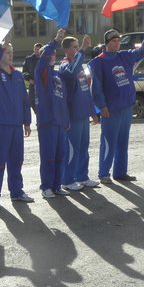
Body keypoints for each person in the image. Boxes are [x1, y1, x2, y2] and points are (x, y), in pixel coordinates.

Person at [88, 22, 144, 184]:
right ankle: (104, 173)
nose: (117, 43)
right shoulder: (99, 62)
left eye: (118, 40)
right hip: (110, 110)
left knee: (122, 142)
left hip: (126, 107)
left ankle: (120, 172)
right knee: (108, 142)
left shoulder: (124, 56)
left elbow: (143, 51)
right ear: (106, 44)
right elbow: (96, 87)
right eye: (113, 41)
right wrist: (102, 107)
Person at [0, 42, 34, 209]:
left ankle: (17, 192)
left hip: (16, 125)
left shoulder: (18, 75)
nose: (10, 55)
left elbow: (24, 100)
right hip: (0, 124)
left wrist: (27, 121)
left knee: (17, 161)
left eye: (11, 52)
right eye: (7, 52)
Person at [59, 34, 100, 191]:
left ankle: (82, 176)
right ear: (67, 49)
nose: (77, 49)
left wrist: (93, 112)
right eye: (75, 47)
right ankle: (67, 180)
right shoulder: (64, 66)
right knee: (72, 148)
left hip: (83, 115)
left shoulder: (78, 66)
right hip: (73, 116)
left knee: (83, 147)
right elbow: (71, 71)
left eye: (78, 46)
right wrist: (83, 50)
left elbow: (85, 90)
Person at [35, 29, 70, 199]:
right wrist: (56, 40)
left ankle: (56, 185)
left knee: (59, 156)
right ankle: (46, 186)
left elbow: (62, 100)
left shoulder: (57, 75)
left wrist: (66, 120)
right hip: (47, 121)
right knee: (48, 156)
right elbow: (43, 59)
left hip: (59, 122)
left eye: (55, 54)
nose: (53, 56)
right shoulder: (42, 72)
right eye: (50, 54)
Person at [22, 43, 42, 114]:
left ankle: (41, 118)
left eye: (38, 49)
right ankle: (38, 115)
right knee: (32, 101)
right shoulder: (28, 59)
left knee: (42, 103)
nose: (36, 51)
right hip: (32, 85)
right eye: (35, 49)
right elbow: (24, 72)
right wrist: (29, 79)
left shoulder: (44, 60)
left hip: (42, 85)